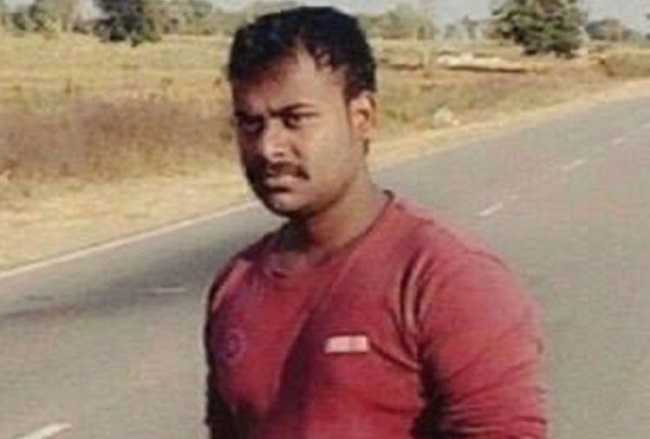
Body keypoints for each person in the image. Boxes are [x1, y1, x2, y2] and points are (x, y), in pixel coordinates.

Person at [204, 7, 547, 439]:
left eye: (295, 120)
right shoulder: (235, 284)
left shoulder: (446, 279)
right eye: (250, 123)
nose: (269, 147)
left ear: (362, 117)